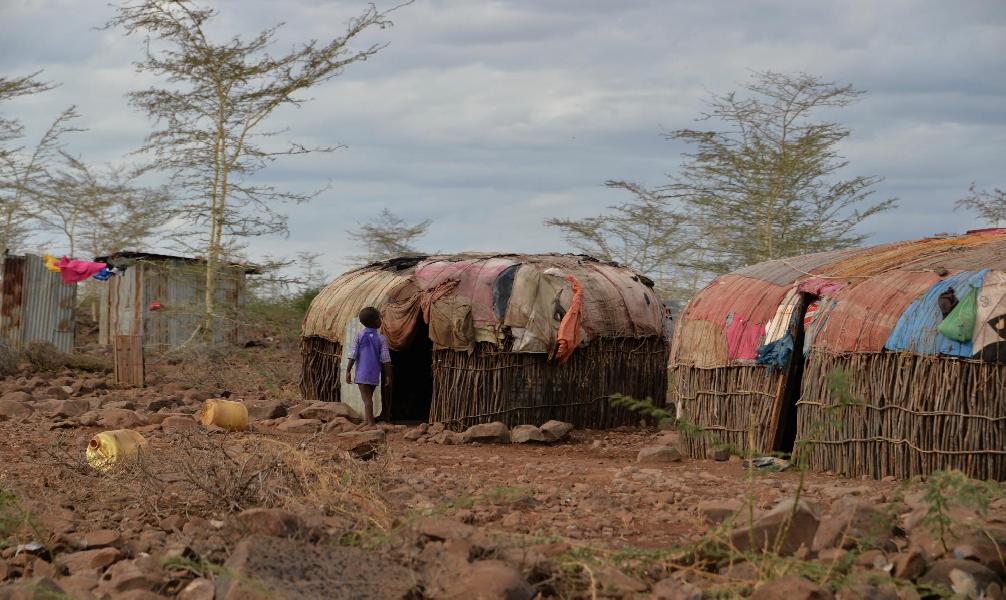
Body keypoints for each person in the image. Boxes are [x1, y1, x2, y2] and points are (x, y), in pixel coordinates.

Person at [346, 306, 393, 429]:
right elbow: (386, 359)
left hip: (362, 373)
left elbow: (353, 354)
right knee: (368, 398)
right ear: (375, 321)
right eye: (379, 319)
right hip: (374, 373)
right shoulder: (381, 338)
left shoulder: (359, 336)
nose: (381, 321)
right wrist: (388, 375)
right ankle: (368, 421)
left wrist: (348, 370)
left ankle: (370, 423)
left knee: (366, 399)